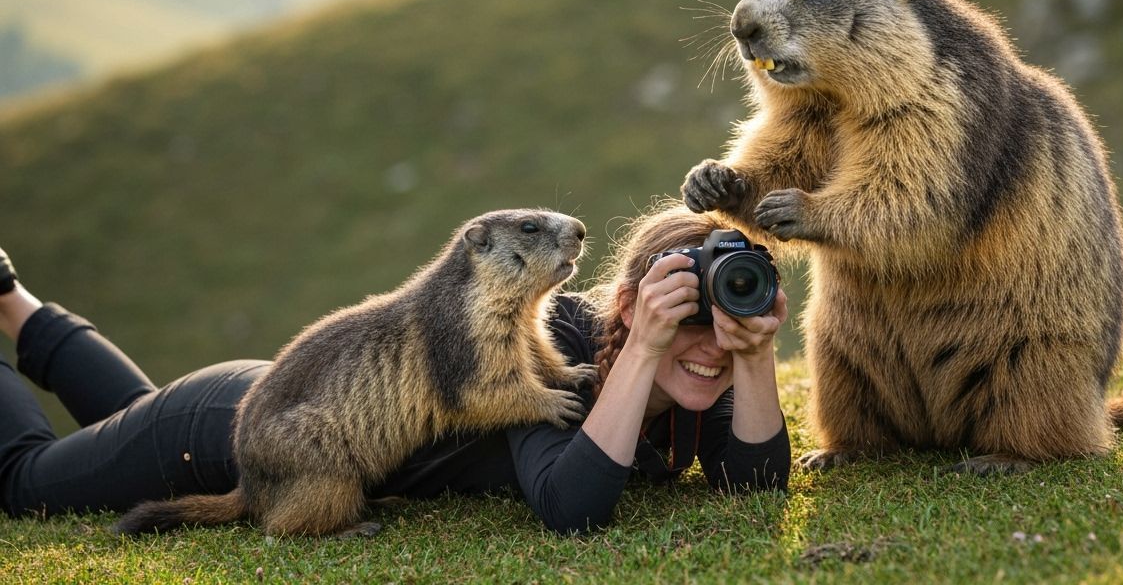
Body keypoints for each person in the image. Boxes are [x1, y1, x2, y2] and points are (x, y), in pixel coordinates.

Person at [0, 203, 789, 535]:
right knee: (27, 483)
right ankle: (9, 301)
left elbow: (755, 490)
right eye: (686, 309)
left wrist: (751, 354)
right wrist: (647, 348)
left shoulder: (707, 367)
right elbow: (570, 501)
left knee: (125, 423)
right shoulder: (571, 351)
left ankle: (12, 301)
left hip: (274, 405)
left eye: (726, 307)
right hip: (248, 427)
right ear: (631, 306)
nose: (708, 336)